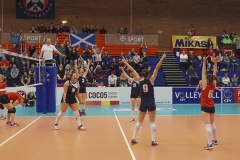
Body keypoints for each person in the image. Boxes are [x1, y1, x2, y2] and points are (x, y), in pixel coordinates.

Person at [122, 53, 166, 146]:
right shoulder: (151, 80)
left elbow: (132, 69)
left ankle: (133, 138)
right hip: (151, 103)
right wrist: (162, 58)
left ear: (142, 75)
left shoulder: (139, 80)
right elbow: (157, 68)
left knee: (139, 122)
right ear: (148, 74)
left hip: (143, 103)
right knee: (152, 122)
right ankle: (153, 140)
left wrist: (125, 62)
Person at [200, 56, 219, 150]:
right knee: (212, 124)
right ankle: (215, 139)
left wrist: (204, 62)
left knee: (207, 125)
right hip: (212, 106)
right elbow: (215, 72)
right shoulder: (213, 84)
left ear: (207, 80)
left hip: (205, 106)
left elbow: (203, 72)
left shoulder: (205, 85)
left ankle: (209, 144)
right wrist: (215, 63)